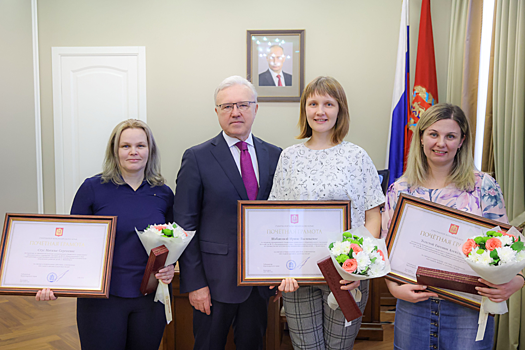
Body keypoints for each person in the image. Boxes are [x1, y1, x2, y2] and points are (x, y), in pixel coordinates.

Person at [382, 103, 525, 349]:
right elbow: (386, 248)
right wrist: (394, 288)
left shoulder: (484, 186)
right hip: (413, 304)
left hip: (468, 306)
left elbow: (510, 245)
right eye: (434, 134)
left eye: (450, 136)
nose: (441, 143)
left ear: (461, 141)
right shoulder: (401, 190)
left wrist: (517, 280)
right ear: (421, 137)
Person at [36, 119, 175, 350]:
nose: (133, 152)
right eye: (125, 146)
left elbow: (171, 240)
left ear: (150, 150)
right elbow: (70, 244)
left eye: (140, 145)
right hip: (102, 299)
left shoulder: (163, 192)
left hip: (150, 299)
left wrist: (170, 265)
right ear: (114, 150)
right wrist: (51, 281)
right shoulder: (92, 188)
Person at [268, 76, 385, 349]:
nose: (320, 111)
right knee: (306, 347)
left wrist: (358, 268)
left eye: (328, 104)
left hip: (347, 276)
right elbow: (277, 215)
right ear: (304, 110)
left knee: (338, 347)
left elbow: (373, 216)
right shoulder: (289, 157)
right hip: (300, 273)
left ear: (340, 109)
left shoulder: (357, 156)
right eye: (313, 103)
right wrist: (280, 264)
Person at [173, 76, 282, 350]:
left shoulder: (275, 155)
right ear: (217, 112)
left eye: (243, 105)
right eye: (226, 106)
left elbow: (280, 217)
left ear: (256, 108)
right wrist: (195, 284)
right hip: (213, 282)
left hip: (259, 283)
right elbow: (184, 226)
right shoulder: (196, 157)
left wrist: (279, 271)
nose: (235, 112)